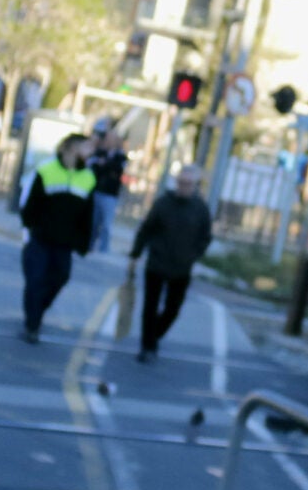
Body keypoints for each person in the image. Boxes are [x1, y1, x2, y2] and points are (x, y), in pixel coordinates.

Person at [127, 162, 213, 360]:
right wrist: (135, 254)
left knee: (172, 309)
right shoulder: (163, 203)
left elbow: (205, 236)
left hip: (182, 267)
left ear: (195, 185)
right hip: (157, 264)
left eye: (189, 184)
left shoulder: (200, 208)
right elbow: (146, 229)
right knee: (150, 306)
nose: (184, 187)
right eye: (181, 182)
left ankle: (155, 335)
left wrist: (194, 255)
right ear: (176, 182)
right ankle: (147, 346)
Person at [16, 133, 94, 342]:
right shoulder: (46, 170)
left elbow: (88, 215)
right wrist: (29, 228)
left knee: (60, 278)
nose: (90, 152)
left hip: (65, 243)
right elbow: (30, 203)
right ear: (70, 149)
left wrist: (84, 242)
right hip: (40, 238)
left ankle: (37, 310)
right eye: (85, 148)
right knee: (35, 280)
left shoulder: (88, 177)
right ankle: (32, 325)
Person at [86, 119, 127, 254]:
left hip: (110, 194)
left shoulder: (120, 156)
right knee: (93, 221)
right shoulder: (100, 152)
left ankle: (104, 248)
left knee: (106, 224)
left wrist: (105, 164)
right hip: (97, 190)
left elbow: (117, 170)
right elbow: (95, 167)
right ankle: (90, 244)